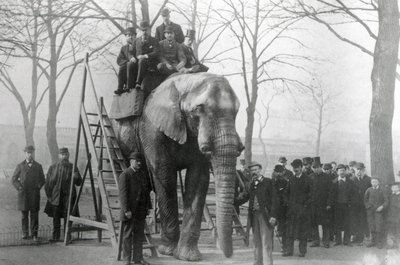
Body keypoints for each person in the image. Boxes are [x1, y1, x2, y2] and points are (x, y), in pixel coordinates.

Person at [119, 152, 152, 265]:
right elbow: (123, 195)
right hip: (130, 211)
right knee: (127, 235)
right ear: (131, 161)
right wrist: (126, 210)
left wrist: (148, 207)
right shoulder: (125, 175)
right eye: (137, 161)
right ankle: (126, 259)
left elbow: (146, 192)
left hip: (141, 210)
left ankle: (138, 259)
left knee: (139, 235)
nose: (139, 163)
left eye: (140, 161)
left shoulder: (142, 175)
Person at [45, 147, 82, 241]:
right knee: (56, 218)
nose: (64, 157)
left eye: (66, 155)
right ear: (59, 156)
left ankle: (67, 237)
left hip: (68, 197)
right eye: (62, 155)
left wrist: (76, 177)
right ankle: (55, 237)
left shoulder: (73, 167)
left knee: (67, 217)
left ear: (68, 155)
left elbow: (79, 183)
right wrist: (50, 196)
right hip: (56, 197)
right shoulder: (53, 167)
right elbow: (48, 184)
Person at [244, 162, 278, 265]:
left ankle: (268, 263)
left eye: (256, 170)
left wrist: (273, 216)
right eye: (252, 170)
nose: (254, 172)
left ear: (260, 170)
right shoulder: (250, 184)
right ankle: (257, 262)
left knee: (266, 242)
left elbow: (275, 200)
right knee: (256, 242)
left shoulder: (269, 182)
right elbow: (245, 196)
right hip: (254, 216)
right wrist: (231, 201)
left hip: (266, 216)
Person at [11, 145, 45, 241]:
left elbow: (42, 179)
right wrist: (19, 187)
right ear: (25, 154)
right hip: (24, 195)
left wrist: (39, 186)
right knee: (24, 215)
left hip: (34, 194)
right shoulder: (20, 165)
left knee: (34, 215)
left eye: (31, 153)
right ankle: (25, 233)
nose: (30, 155)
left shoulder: (38, 166)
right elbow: (13, 179)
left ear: (33, 153)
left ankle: (34, 234)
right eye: (28, 153)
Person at [284, 159, 312, 257]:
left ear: (301, 167)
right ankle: (289, 251)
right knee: (289, 231)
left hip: (303, 210)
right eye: (294, 168)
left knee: (303, 232)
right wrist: (288, 203)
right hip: (292, 210)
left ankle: (302, 251)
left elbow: (311, 195)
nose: (296, 169)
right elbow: (286, 193)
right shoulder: (291, 179)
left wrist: (305, 205)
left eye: (297, 167)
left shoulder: (308, 179)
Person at [327, 164, 355, 246]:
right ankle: (338, 240)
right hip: (337, 206)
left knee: (347, 223)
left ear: (346, 171)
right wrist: (329, 204)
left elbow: (354, 194)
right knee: (337, 223)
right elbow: (330, 194)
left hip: (347, 206)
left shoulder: (350, 182)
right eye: (340, 171)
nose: (342, 172)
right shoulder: (334, 182)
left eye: (343, 170)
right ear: (337, 172)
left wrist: (351, 203)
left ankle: (347, 241)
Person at [309, 157, 332, 248]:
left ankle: (326, 241)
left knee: (325, 224)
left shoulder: (327, 177)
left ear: (320, 167)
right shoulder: (310, 177)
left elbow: (331, 192)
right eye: (314, 167)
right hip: (313, 205)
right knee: (313, 223)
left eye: (317, 167)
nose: (315, 169)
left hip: (324, 205)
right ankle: (315, 241)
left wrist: (329, 203)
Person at [133, 21, 160, 90]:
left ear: (149, 30)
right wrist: (132, 58)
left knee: (142, 60)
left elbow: (156, 52)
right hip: (138, 65)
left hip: (150, 64)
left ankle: (138, 82)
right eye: (143, 30)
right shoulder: (136, 41)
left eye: (146, 30)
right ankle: (129, 86)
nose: (144, 32)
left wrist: (145, 56)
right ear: (140, 31)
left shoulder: (154, 40)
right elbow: (132, 52)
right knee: (130, 65)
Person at [364, 177, 389, 249]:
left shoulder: (382, 190)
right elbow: (365, 200)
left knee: (378, 226)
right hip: (370, 211)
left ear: (378, 182)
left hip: (379, 211)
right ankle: (373, 241)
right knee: (371, 225)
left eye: (375, 182)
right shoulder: (368, 190)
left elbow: (386, 201)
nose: (374, 183)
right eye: (373, 182)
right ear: (371, 183)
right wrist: (368, 207)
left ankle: (379, 242)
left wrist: (382, 207)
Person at [350, 162, 371, 245]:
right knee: (355, 220)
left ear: (364, 170)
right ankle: (356, 236)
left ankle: (362, 237)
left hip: (364, 204)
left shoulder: (368, 179)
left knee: (363, 220)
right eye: (357, 170)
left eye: (360, 170)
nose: (359, 172)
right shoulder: (352, 179)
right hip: (354, 204)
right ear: (355, 170)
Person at [272, 164, 289, 254]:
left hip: (282, 210)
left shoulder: (286, 182)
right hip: (272, 210)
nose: (278, 174)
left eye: (280, 172)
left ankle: (285, 247)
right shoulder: (270, 182)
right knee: (270, 229)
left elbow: (286, 196)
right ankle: (269, 248)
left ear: (283, 172)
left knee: (283, 230)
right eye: (276, 172)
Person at [115, 27, 137, 95]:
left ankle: (129, 86)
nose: (130, 37)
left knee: (129, 65)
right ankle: (120, 88)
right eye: (128, 35)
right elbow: (119, 60)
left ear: (135, 36)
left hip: (135, 70)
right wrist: (127, 62)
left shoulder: (139, 46)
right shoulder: (124, 48)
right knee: (122, 67)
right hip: (126, 71)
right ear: (126, 37)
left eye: (132, 35)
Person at [386, 183, 400, 249]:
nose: (393, 189)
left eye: (395, 188)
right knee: (391, 230)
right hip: (391, 216)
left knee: (398, 230)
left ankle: (398, 244)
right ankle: (392, 244)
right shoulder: (390, 195)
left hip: (398, 216)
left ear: (399, 188)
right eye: (392, 188)